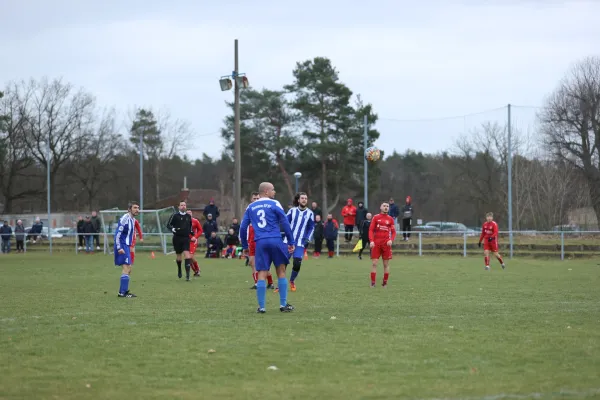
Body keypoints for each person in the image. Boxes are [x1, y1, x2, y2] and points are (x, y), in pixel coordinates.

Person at [240, 182, 295, 313]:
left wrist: (244, 245)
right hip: (275, 240)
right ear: (266, 191)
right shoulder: (275, 203)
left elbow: (243, 227)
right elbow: (284, 222)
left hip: (260, 242)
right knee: (281, 271)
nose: (274, 192)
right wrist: (291, 241)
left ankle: (262, 307)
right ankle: (283, 305)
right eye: (273, 190)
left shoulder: (251, 206)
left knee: (262, 274)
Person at [279, 192, 315, 292]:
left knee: (297, 263)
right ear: (298, 200)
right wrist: (283, 234)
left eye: (306, 198)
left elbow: (311, 227)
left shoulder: (310, 213)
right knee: (283, 263)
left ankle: (291, 281)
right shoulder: (292, 211)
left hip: (300, 243)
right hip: (288, 241)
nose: (304, 200)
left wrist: (308, 237)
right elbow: (285, 223)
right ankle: (280, 284)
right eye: (302, 198)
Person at [245, 192, 275, 290]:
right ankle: (257, 283)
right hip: (251, 238)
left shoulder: (264, 208)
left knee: (264, 262)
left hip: (261, 238)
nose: (256, 200)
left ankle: (270, 282)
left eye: (258, 198)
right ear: (251, 199)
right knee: (252, 262)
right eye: (254, 198)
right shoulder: (249, 208)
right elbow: (245, 225)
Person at [115, 201, 141, 298]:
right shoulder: (125, 218)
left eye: (138, 207)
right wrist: (119, 247)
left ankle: (123, 292)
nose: (137, 209)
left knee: (129, 268)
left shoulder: (133, 220)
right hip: (122, 245)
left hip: (127, 246)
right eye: (135, 207)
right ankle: (122, 293)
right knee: (126, 267)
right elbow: (117, 234)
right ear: (129, 209)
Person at [368, 202, 396, 288]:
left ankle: (385, 283)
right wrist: (372, 241)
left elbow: (393, 232)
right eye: (384, 206)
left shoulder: (390, 219)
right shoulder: (376, 217)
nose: (386, 207)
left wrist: (391, 240)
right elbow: (371, 230)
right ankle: (373, 283)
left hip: (386, 244)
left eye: (387, 206)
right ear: (381, 207)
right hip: (376, 243)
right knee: (374, 263)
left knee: (386, 265)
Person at [166, 201, 193, 281]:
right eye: (181, 205)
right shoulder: (175, 216)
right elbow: (168, 225)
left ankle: (188, 275)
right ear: (179, 207)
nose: (183, 206)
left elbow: (190, 227)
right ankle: (179, 269)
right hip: (177, 238)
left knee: (187, 255)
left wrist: (192, 234)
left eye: (184, 205)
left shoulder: (188, 216)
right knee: (179, 257)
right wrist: (173, 229)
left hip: (186, 238)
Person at [187, 210, 203, 276]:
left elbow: (200, 230)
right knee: (188, 257)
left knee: (190, 256)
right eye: (187, 214)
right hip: (186, 241)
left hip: (193, 241)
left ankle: (197, 269)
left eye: (190, 213)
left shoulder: (195, 221)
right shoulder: (183, 222)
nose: (189, 215)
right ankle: (195, 271)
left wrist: (195, 237)